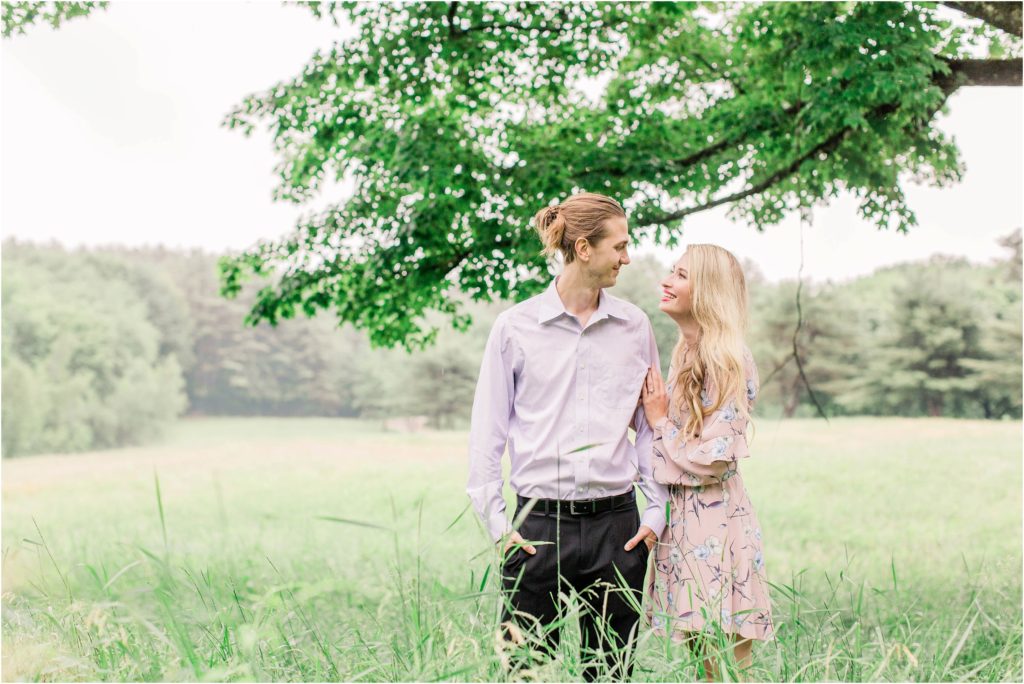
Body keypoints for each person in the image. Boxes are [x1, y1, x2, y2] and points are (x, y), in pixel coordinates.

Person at [466, 192, 670, 681]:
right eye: (619, 246)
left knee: (612, 675)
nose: (628, 256)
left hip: (618, 530)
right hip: (536, 530)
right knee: (524, 674)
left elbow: (647, 426)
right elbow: (486, 435)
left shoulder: (634, 326)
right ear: (583, 248)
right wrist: (499, 528)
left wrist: (656, 510)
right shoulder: (513, 328)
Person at [639, 244, 774, 681]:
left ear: (707, 291)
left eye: (679, 275)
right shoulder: (683, 357)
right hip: (683, 524)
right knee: (703, 666)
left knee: (728, 668)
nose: (666, 281)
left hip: (718, 523)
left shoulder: (730, 360)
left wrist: (659, 423)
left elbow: (712, 460)